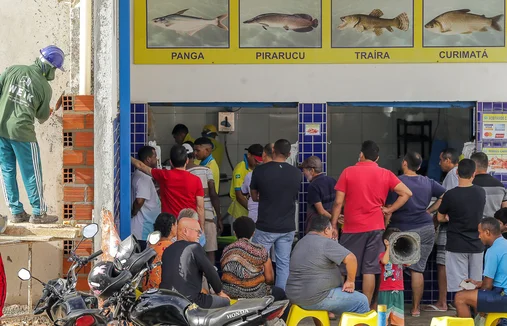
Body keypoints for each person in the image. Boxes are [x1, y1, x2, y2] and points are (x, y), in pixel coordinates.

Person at [330, 140, 412, 306]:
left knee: (344, 268)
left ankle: (336, 306)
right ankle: (365, 307)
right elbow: (406, 193)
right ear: (377, 158)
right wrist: (389, 210)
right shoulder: (385, 173)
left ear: (361, 154)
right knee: (370, 269)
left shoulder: (348, 172)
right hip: (376, 227)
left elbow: (338, 203)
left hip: (352, 228)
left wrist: (333, 225)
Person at [0, 46, 65, 224]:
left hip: (2, 129)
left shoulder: (12, 70)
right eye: (54, 69)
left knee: (7, 170)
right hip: (23, 132)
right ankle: (38, 213)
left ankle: (16, 211)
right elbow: (42, 116)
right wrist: (48, 111)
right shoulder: (44, 87)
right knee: (32, 172)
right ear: (48, 66)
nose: (54, 73)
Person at [385, 151, 446, 317]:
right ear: (419, 166)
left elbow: (388, 205)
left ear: (404, 163)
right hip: (425, 230)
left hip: (401, 230)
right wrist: (429, 211)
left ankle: (392, 308)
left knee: (394, 268)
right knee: (417, 270)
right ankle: (416, 309)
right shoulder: (428, 182)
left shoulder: (396, 182)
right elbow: (445, 195)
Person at [286, 215, 369, 318]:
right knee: (362, 302)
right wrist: (350, 281)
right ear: (326, 230)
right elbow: (351, 258)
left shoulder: (300, 242)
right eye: (331, 231)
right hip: (316, 297)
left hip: (294, 296)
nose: (332, 235)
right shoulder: (325, 242)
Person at [250, 139, 301, 290]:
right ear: (289, 154)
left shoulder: (260, 170)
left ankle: (257, 293)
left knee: (257, 261)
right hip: (287, 227)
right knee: (283, 263)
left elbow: (253, 196)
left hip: (266, 226)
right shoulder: (296, 173)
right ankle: (281, 297)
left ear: (273, 151)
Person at [437, 159, 485, 307]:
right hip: (477, 244)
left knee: (460, 286)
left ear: (457, 173)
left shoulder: (450, 195)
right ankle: (476, 318)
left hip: (456, 244)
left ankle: (463, 318)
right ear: (474, 174)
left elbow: (439, 217)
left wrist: (448, 217)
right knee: (475, 284)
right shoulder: (480, 192)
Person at [160, 218, 230, 308]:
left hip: (167, 301)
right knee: (225, 301)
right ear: (185, 231)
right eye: (198, 232)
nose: (199, 235)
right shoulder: (194, 247)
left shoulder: (167, 250)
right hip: (190, 302)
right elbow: (210, 271)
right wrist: (219, 292)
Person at [130, 145, 204, 227]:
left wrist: (128, 156)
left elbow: (141, 166)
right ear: (187, 161)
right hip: (190, 225)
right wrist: (202, 229)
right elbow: (200, 207)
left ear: (171, 162)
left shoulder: (165, 175)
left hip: (171, 227)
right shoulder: (196, 180)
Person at [427, 147, 460, 312]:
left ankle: (442, 302)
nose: (439, 163)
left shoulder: (452, 175)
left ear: (448, 160)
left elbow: (446, 200)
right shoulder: (459, 174)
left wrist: (431, 213)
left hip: (449, 228)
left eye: (441, 160)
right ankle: (456, 301)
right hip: (459, 228)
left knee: (442, 264)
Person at [221, 216, 285, 300]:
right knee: (280, 293)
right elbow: (269, 279)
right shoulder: (260, 250)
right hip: (256, 293)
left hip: (229, 293)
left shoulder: (226, 250)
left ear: (235, 233)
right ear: (253, 233)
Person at [454, 218, 507, 320]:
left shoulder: (493, 251)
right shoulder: (504, 244)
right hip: (502, 292)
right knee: (476, 296)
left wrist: (477, 291)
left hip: (503, 296)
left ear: (487, 232)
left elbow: (487, 286)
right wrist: (477, 284)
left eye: (480, 233)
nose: (479, 236)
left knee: (460, 297)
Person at [184, 142, 222, 263]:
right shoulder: (206, 170)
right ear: (192, 156)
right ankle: (211, 279)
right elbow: (213, 194)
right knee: (210, 251)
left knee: (191, 253)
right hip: (209, 216)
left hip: (191, 217)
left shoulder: (183, 173)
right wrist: (219, 216)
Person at [131, 146, 161, 249]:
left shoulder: (140, 175)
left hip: (144, 230)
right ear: (148, 159)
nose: (156, 159)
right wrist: (133, 212)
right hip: (143, 232)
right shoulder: (144, 178)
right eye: (155, 156)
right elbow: (139, 201)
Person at [300, 156, 336, 234]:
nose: (304, 174)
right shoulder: (332, 180)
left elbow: (321, 211)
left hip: (318, 227)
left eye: (304, 171)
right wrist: (336, 218)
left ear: (312, 170)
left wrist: (334, 218)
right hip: (331, 227)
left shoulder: (313, 186)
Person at [143, 213, 177, 291]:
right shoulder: (172, 247)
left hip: (146, 289)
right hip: (162, 291)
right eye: (176, 225)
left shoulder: (150, 246)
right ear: (172, 227)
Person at [228, 144, 263, 219]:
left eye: (259, 161)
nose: (258, 163)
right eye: (256, 160)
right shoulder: (240, 168)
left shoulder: (257, 169)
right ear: (249, 155)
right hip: (240, 214)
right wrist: (253, 210)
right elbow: (239, 196)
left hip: (252, 214)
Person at [379, 228, 405, 326]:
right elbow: (385, 261)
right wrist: (389, 247)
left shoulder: (400, 255)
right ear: (386, 242)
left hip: (399, 290)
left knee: (398, 317)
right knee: (383, 317)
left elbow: (409, 262)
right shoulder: (382, 254)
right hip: (385, 290)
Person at [241, 143, 273, 222]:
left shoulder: (250, 175)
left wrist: (249, 195)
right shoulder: (274, 173)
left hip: (254, 214)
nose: (258, 162)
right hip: (269, 215)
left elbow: (243, 192)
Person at [471, 152, 507, 218]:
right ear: (487, 165)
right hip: (494, 226)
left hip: (475, 226)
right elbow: (505, 211)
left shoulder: (469, 185)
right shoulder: (500, 186)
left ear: (473, 166)